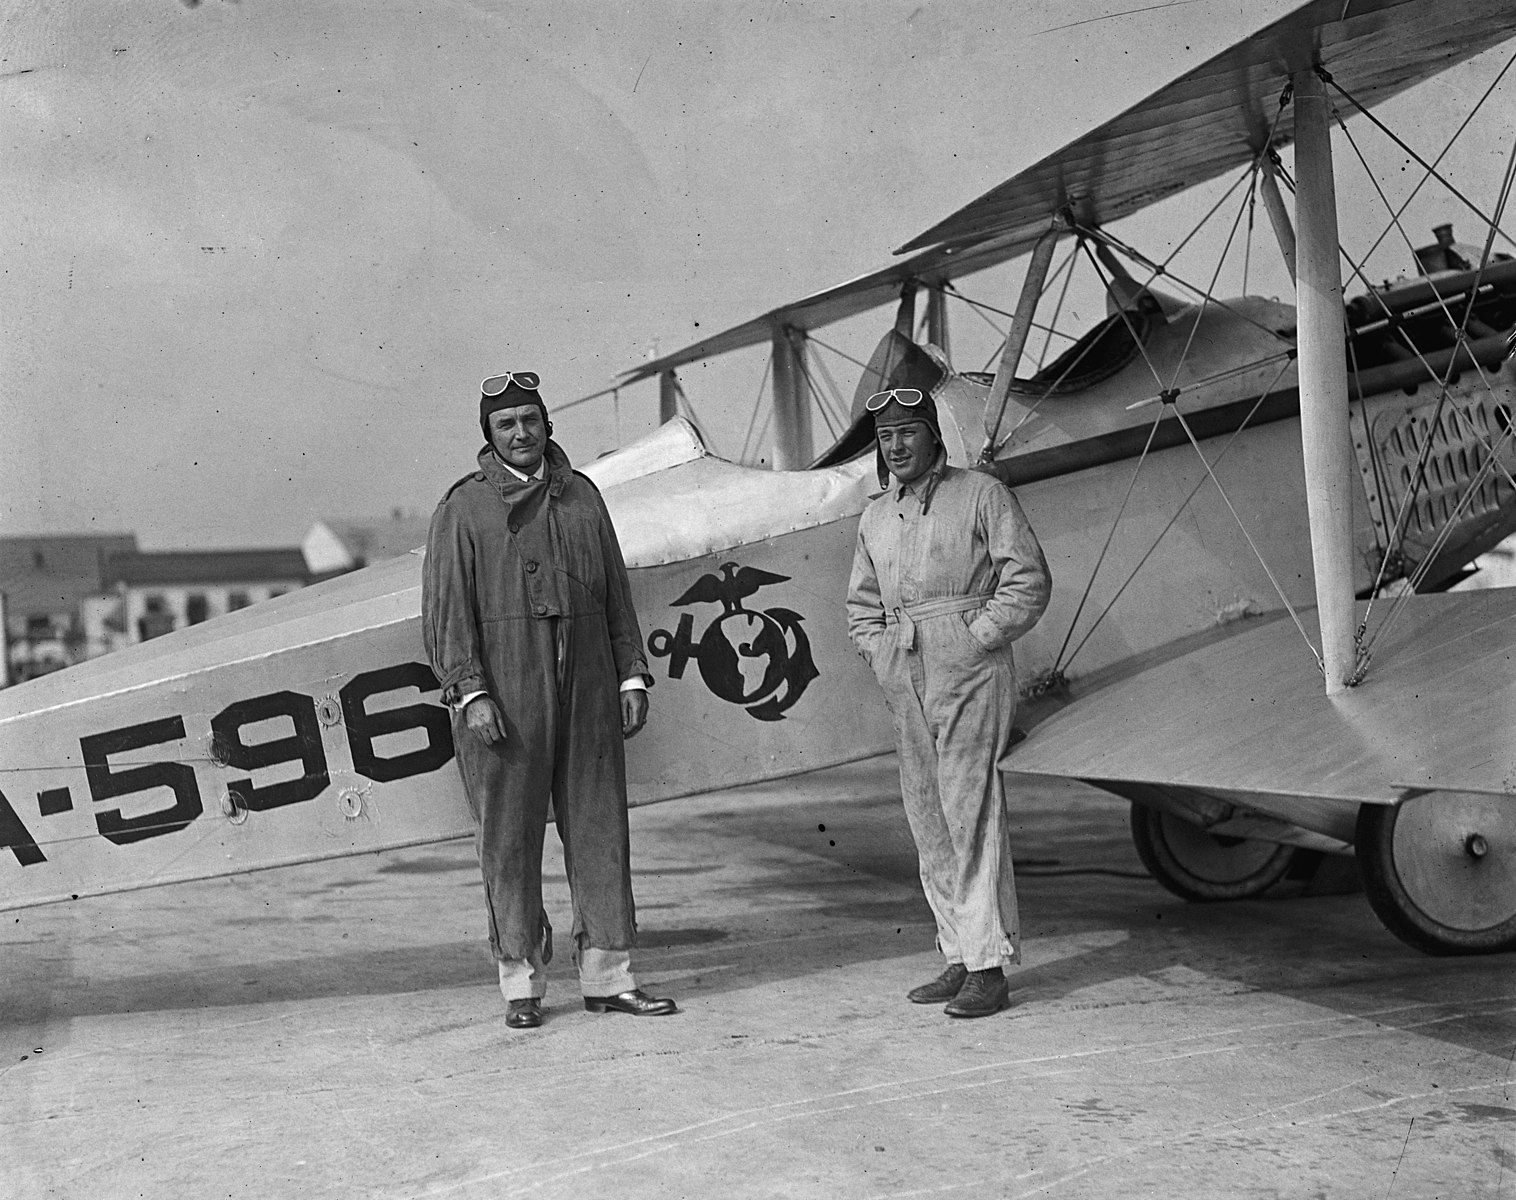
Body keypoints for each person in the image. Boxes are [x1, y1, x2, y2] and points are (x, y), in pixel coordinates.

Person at [422, 370, 675, 1029]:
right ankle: (522, 986)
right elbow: (446, 613)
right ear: (489, 435)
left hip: (588, 682)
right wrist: (470, 691)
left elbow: (616, 591)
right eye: (506, 424)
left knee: (600, 828)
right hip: (506, 690)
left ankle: (610, 978)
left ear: (547, 423)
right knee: (509, 839)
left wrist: (630, 674)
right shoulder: (463, 508)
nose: (521, 432)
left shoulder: (583, 497)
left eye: (530, 419)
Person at [846, 364, 1051, 1018]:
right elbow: (861, 606)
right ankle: (958, 954)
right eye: (886, 437)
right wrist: (881, 655)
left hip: (968, 668)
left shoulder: (982, 494)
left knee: (970, 808)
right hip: (904, 670)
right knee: (927, 816)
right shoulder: (876, 516)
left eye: (908, 432)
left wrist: (976, 637)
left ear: (933, 434)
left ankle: (988, 967)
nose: (896, 446)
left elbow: (1027, 580)